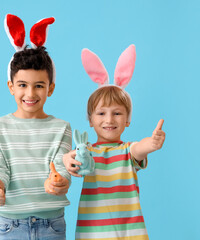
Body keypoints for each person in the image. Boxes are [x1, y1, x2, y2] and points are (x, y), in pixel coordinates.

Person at [63, 45, 165, 240]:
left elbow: (140, 148)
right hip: (92, 233)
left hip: (130, 234)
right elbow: (71, 162)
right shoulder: (87, 152)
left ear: (127, 120)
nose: (109, 120)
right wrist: (66, 159)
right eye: (101, 113)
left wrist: (152, 143)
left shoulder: (128, 151)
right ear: (90, 120)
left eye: (117, 113)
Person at [0, 14, 71, 240]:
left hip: (51, 224)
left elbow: (62, 168)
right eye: (22, 85)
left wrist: (62, 182)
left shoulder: (62, 128)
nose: (30, 94)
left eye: (39, 86)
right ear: (11, 86)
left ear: (50, 88)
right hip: (10, 226)